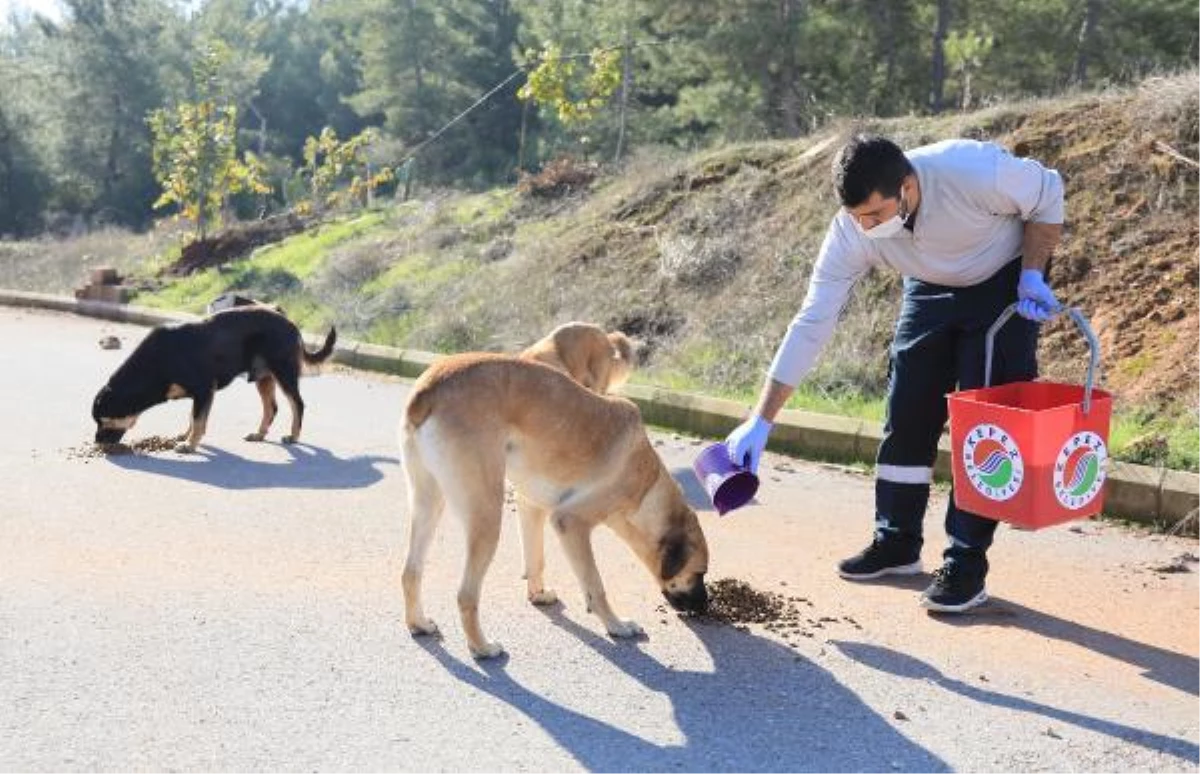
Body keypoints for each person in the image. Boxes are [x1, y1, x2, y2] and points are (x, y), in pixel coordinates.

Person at [726, 134, 1064, 613]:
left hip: (1000, 281)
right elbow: (812, 320)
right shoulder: (852, 230)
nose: (867, 228)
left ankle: (966, 563)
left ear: (907, 188)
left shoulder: (972, 171)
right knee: (906, 410)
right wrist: (761, 419)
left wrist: (1033, 272)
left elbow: (1049, 192)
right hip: (928, 287)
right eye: (857, 218)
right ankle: (897, 541)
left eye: (876, 216)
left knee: (985, 428)